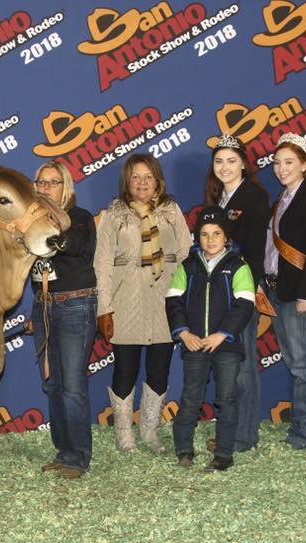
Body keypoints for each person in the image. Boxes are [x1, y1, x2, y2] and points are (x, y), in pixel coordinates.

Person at [94, 154, 192, 454]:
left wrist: (184, 298)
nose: (142, 183)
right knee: (125, 369)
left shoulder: (171, 211)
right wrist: (104, 308)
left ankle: (149, 431)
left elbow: (187, 254)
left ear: (158, 180)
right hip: (126, 303)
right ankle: (124, 434)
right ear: (127, 181)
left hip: (165, 302)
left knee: (159, 369)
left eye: (148, 177)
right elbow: (102, 264)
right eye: (136, 177)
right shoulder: (114, 214)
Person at [166, 207, 255, 471]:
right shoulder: (188, 266)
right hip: (194, 344)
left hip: (226, 346)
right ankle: (184, 449)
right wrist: (184, 332)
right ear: (197, 238)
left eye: (217, 233)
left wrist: (222, 333)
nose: (211, 239)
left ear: (226, 237)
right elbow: (173, 300)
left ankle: (224, 454)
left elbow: (245, 304)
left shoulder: (238, 266)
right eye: (204, 234)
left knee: (226, 399)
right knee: (191, 397)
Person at [26, 160, 98, 479]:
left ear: (66, 186)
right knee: (53, 384)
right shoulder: (30, 221)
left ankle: (78, 457)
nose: (46, 188)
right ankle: (64, 450)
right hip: (44, 306)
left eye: (53, 182)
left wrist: (52, 229)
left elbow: (77, 246)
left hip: (75, 304)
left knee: (71, 385)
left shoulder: (79, 217)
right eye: (41, 182)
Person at [204, 134, 273, 453]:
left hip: (241, 290)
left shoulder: (253, 197)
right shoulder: (219, 198)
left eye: (231, 161)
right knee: (228, 363)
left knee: (242, 364)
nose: (225, 167)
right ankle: (231, 429)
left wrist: (248, 289)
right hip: (220, 290)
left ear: (244, 164)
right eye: (219, 161)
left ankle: (243, 435)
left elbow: (256, 250)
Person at [262, 132, 306, 449]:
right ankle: (304, 427)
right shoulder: (282, 199)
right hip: (279, 289)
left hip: (299, 293)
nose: (281, 168)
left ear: (304, 165)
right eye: (277, 163)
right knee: (294, 361)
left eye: (289, 162)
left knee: (304, 364)